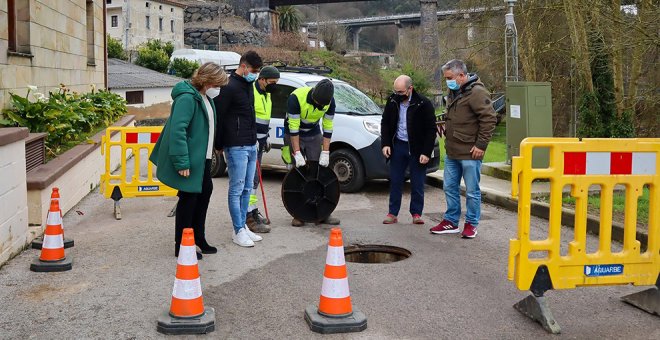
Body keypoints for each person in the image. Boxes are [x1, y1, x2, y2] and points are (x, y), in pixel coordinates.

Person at [150, 62, 228, 259]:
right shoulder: (187, 98)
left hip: (202, 159)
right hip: (190, 160)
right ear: (207, 81)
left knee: (203, 194)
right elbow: (178, 131)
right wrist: (181, 162)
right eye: (217, 85)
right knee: (188, 200)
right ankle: (182, 245)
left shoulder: (204, 97)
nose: (218, 89)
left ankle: (198, 238)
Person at [430, 59, 497, 238]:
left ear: (461, 75)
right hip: (453, 151)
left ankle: (471, 224)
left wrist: (481, 145)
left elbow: (489, 119)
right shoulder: (454, 90)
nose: (447, 81)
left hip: (470, 152)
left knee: (472, 192)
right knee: (449, 187)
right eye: (446, 78)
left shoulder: (477, 92)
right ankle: (451, 221)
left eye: (450, 77)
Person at [213, 51, 264, 247]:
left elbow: (249, 114)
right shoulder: (230, 87)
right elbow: (220, 117)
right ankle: (237, 230)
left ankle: (243, 226)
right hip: (236, 146)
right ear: (243, 66)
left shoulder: (248, 85)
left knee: (247, 188)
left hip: (251, 144)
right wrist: (218, 144)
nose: (256, 74)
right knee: (236, 189)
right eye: (254, 70)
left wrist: (256, 140)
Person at [283, 79, 340, 227]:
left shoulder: (329, 102)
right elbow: (294, 128)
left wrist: (326, 152)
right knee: (298, 174)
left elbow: (327, 127)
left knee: (318, 171)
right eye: (317, 103)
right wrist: (297, 153)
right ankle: (298, 214)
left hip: (313, 133)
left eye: (322, 105)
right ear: (313, 94)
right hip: (294, 133)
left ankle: (323, 213)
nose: (319, 106)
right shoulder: (296, 98)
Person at [380, 75, 437, 225]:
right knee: (396, 181)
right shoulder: (392, 101)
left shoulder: (424, 103)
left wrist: (426, 152)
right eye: (395, 91)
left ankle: (416, 213)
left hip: (417, 149)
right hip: (398, 146)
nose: (397, 95)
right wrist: (386, 143)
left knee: (417, 183)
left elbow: (431, 130)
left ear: (410, 89)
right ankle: (392, 213)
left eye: (400, 92)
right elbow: (385, 123)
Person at [245, 66, 280, 233]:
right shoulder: (251, 92)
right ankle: (248, 216)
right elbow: (248, 119)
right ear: (262, 79)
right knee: (250, 180)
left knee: (255, 180)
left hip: (259, 143)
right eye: (272, 82)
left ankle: (252, 211)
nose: (274, 85)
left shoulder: (267, 94)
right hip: (249, 143)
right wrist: (253, 139)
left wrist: (265, 139)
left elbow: (264, 120)